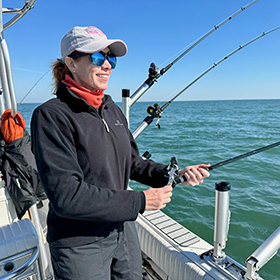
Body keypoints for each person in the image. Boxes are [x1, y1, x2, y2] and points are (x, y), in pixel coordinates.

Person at [31, 26, 210, 280]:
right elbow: (66, 195)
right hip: (79, 244)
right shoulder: (51, 116)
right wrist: (140, 202)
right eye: (97, 57)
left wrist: (174, 174)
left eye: (110, 58)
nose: (107, 66)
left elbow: (134, 163)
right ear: (71, 63)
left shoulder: (111, 109)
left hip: (122, 230)